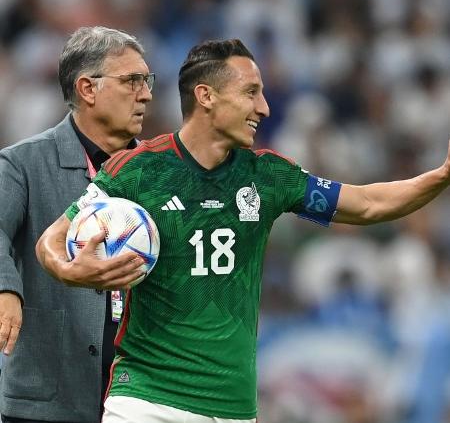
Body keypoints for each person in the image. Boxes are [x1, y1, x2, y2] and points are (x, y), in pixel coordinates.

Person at [36, 39, 450, 423]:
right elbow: (52, 241)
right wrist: (70, 271)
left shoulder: (268, 177)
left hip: (232, 407)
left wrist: (441, 175)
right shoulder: (139, 171)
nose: (265, 108)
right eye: (251, 92)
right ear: (207, 96)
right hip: (147, 402)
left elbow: (368, 204)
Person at [0, 26, 154, 423]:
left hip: (143, 401)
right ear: (88, 88)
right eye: (132, 81)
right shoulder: (22, 164)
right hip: (45, 401)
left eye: (147, 81)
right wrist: (5, 289)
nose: (147, 94)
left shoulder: (162, 174)